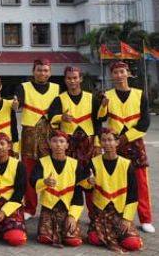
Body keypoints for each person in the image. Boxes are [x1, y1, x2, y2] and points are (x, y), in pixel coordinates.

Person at [100, 60, 154, 233]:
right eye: (115, 73)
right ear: (111, 76)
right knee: (117, 181)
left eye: (122, 72)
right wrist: (102, 106)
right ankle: (120, 215)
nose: (119, 75)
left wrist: (125, 137)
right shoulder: (107, 95)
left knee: (140, 181)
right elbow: (100, 119)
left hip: (135, 141)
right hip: (114, 145)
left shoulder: (139, 94)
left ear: (128, 73)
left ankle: (146, 218)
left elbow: (144, 123)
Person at [83, 128, 143, 252]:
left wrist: (127, 219)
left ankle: (123, 235)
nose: (107, 143)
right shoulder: (93, 162)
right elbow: (86, 188)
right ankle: (110, 235)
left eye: (110, 140)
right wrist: (88, 182)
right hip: (101, 211)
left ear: (117, 142)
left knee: (133, 244)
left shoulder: (126, 164)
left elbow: (133, 195)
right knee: (94, 239)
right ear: (100, 143)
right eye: (103, 140)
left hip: (120, 211)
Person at [14, 58, 59, 219]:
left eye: (46, 70)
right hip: (30, 134)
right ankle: (30, 208)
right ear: (33, 71)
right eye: (39, 69)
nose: (42, 73)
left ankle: (51, 206)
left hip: (50, 133)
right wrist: (15, 104)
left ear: (50, 72)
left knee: (51, 171)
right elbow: (17, 103)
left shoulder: (56, 88)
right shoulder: (23, 87)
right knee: (29, 171)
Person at [29, 130, 85, 248]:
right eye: (54, 141)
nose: (58, 145)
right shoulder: (42, 162)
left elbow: (78, 195)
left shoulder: (75, 164)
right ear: (49, 144)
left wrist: (73, 216)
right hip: (49, 209)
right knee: (45, 238)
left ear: (67, 145)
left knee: (73, 241)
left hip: (68, 209)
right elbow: (33, 181)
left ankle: (68, 226)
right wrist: (44, 182)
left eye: (61, 141)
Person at [47, 66, 103, 169]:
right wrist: (61, 117)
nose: (72, 81)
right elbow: (51, 118)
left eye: (75, 78)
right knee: (70, 170)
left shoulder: (91, 98)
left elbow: (98, 121)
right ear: (65, 80)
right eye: (69, 78)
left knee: (89, 172)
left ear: (80, 79)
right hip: (68, 142)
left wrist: (97, 143)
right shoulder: (59, 99)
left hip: (88, 141)